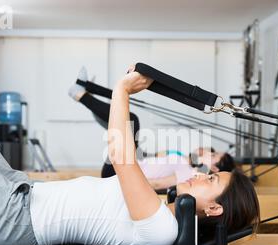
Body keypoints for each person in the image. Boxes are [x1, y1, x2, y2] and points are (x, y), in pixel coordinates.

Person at [0, 65, 259, 245]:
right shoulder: (160, 210)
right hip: (16, 193)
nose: (203, 174)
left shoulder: (162, 228)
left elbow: (120, 156)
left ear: (214, 208)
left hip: (5, 219)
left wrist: (122, 90)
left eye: (212, 180)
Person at [68, 67, 235, 190]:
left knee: (131, 120)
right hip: (129, 165)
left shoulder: (189, 174)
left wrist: (119, 187)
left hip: (118, 176)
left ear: (214, 169)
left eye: (213, 155)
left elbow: (155, 184)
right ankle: (87, 89)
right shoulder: (187, 161)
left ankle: (81, 95)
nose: (209, 152)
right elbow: (151, 158)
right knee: (125, 123)